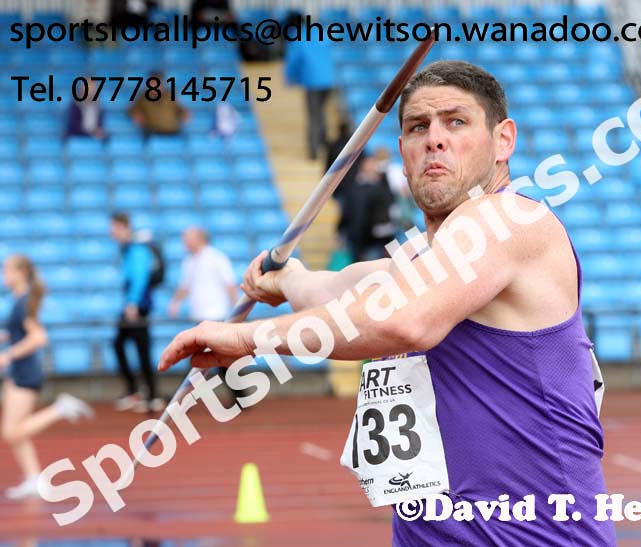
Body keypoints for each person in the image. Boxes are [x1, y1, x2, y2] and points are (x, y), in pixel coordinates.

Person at [158, 61, 615, 546]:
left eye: (455, 122)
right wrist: (289, 279)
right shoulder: (422, 261)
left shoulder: (506, 220)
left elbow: (404, 320)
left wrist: (247, 338)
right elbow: (336, 293)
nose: (434, 139)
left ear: (504, 141)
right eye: (418, 127)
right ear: (402, 150)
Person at [1, 255, 94, 500]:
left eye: (7, 270)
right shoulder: (20, 300)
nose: (4, 275)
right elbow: (19, 332)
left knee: (11, 432)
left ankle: (61, 408)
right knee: (16, 430)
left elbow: (38, 337)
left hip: (25, 371)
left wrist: (8, 355)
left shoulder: (23, 302)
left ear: (21, 273)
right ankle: (33, 478)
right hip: (19, 371)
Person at [167, 227, 245, 403]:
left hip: (218, 315)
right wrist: (175, 302)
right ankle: (239, 395)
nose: (184, 242)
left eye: (187, 238)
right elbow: (185, 286)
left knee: (219, 358)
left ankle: (187, 397)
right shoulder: (189, 261)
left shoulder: (216, 258)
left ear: (199, 238)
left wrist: (236, 311)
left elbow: (230, 284)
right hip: (199, 316)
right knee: (211, 358)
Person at [109, 213, 162, 413]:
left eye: (113, 226)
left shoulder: (137, 248)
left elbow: (140, 276)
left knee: (141, 349)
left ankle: (151, 395)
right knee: (121, 344)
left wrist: (132, 303)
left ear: (124, 226)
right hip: (132, 304)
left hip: (137, 306)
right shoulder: (127, 248)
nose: (111, 231)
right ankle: (139, 392)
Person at [283, 12, 335, 160]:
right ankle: (324, 142)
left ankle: (313, 151)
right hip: (329, 79)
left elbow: (293, 61)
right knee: (321, 111)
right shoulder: (321, 32)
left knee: (314, 114)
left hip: (313, 81)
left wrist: (289, 79)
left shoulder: (297, 36)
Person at [341, 155, 395, 262]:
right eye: (369, 165)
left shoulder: (381, 186)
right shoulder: (354, 187)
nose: (371, 167)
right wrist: (341, 229)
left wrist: (383, 177)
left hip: (376, 239)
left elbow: (390, 200)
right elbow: (348, 211)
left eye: (374, 165)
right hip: (356, 237)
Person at [129, 71, 191, 136]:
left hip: (172, 130)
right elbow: (132, 110)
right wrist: (135, 115)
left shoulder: (169, 95)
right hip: (153, 131)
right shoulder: (143, 97)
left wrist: (184, 114)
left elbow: (180, 109)